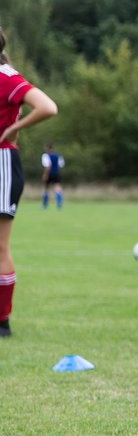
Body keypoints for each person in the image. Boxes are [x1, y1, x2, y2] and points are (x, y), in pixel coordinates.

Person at [0, 27, 59, 338]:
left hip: (2, 164)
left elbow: (48, 107)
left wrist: (13, 129)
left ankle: (2, 322)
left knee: (0, 246)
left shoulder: (7, 77)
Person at [42, 143, 64, 209]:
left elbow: (47, 166)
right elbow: (61, 165)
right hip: (56, 173)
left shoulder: (45, 156)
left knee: (46, 188)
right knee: (58, 188)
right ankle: (59, 203)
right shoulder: (58, 156)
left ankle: (45, 205)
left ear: (47, 149)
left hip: (49, 174)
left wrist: (45, 175)